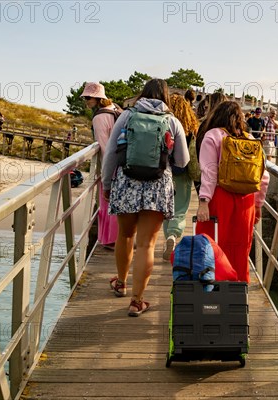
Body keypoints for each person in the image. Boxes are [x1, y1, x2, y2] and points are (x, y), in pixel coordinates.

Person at [102, 79, 189, 316]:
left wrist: (107, 183)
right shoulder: (172, 120)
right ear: (166, 96)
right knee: (147, 244)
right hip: (157, 185)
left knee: (125, 234)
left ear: (142, 94)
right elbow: (182, 160)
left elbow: (110, 152)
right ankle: (137, 300)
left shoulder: (127, 116)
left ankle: (120, 283)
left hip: (127, 181)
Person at [195, 101, 269, 283]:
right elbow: (263, 175)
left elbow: (210, 172)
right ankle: (238, 290)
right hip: (247, 201)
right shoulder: (250, 140)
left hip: (220, 197)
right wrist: (258, 205)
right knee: (241, 248)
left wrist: (204, 201)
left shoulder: (212, 136)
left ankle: (212, 287)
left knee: (211, 245)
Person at [81, 82, 120, 251]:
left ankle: (110, 240)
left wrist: (106, 173)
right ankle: (119, 238)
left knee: (107, 202)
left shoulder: (99, 118)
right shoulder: (117, 110)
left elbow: (104, 147)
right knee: (119, 205)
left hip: (111, 167)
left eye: (88, 98)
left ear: (97, 98)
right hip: (124, 165)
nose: (86, 101)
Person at [162, 93, 199, 259]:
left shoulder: (165, 122)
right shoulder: (191, 127)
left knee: (165, 207)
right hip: (183, 172)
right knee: (181, 208)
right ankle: (174, 234)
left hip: (164, 172)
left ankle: (167, 237)